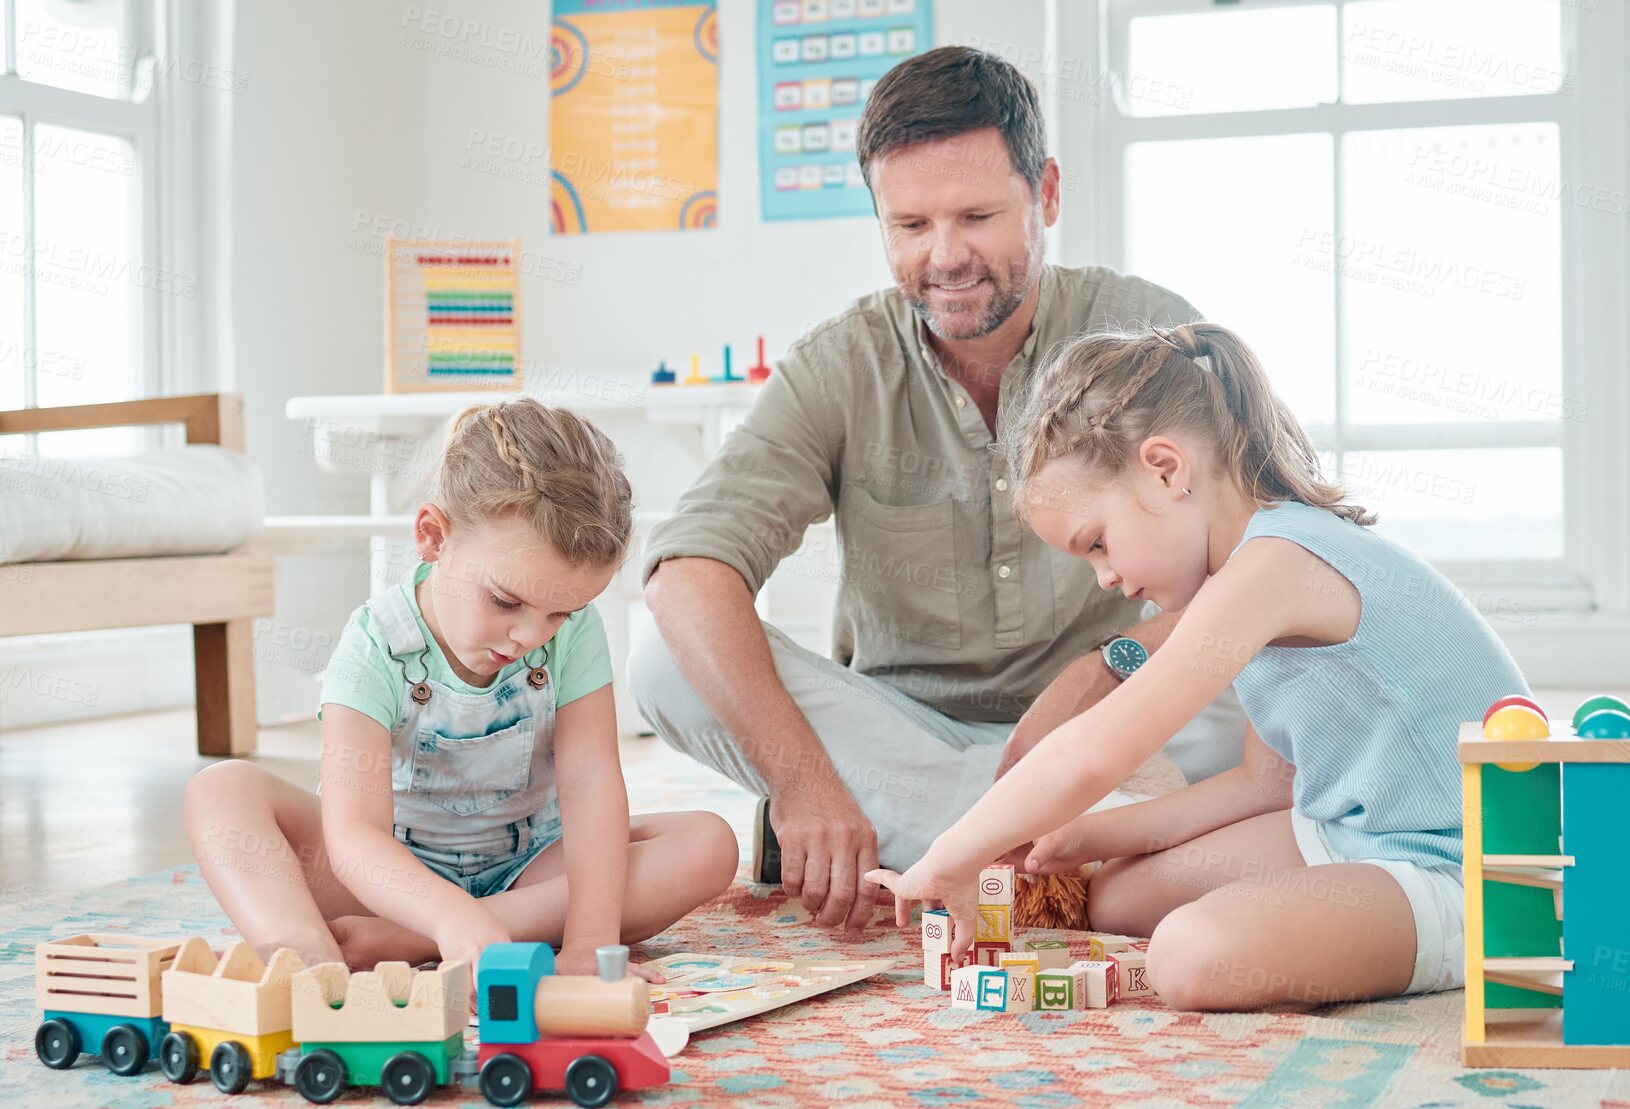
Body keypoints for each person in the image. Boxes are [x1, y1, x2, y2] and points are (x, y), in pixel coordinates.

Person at [630, 46, 1245, 934]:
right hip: (902, 742)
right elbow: (688, 572)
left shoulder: (1148, 334)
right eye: (910, 226)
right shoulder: (840, 364)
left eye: (977, 216)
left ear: (1049, 197)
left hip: (1111, 732)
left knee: (1271, 688)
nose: (945, 256)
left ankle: (963, 851)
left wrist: (1105, 668)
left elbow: (1274, 555)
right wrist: (803, 779)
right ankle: (1059, 854)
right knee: (662, 659)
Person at [869, 323, 1529, 1009]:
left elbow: (1096, 750)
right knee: (1118, 897)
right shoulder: (1245, 569)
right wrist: (1087, 836)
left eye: (1097, 542)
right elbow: (1264, 783)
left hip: (1468, 867)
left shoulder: (1275, 564)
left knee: (1187, 956)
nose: (1104, 577)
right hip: (1353, 830)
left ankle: (1481, 937)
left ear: (1166, 468)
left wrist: (951, 856)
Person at [183, 398, 737, 978]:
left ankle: (412, 941)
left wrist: (589, 944)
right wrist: (443, 914)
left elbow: (591, 784)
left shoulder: (575, 635)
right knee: (222, 790)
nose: (529, 635)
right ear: (433, 536)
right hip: (386, 879)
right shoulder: (374, 644)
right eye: (506, 601)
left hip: (528, 869)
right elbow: (354, 836)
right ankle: (305, 949)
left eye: (560, 614)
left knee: (706, 844)